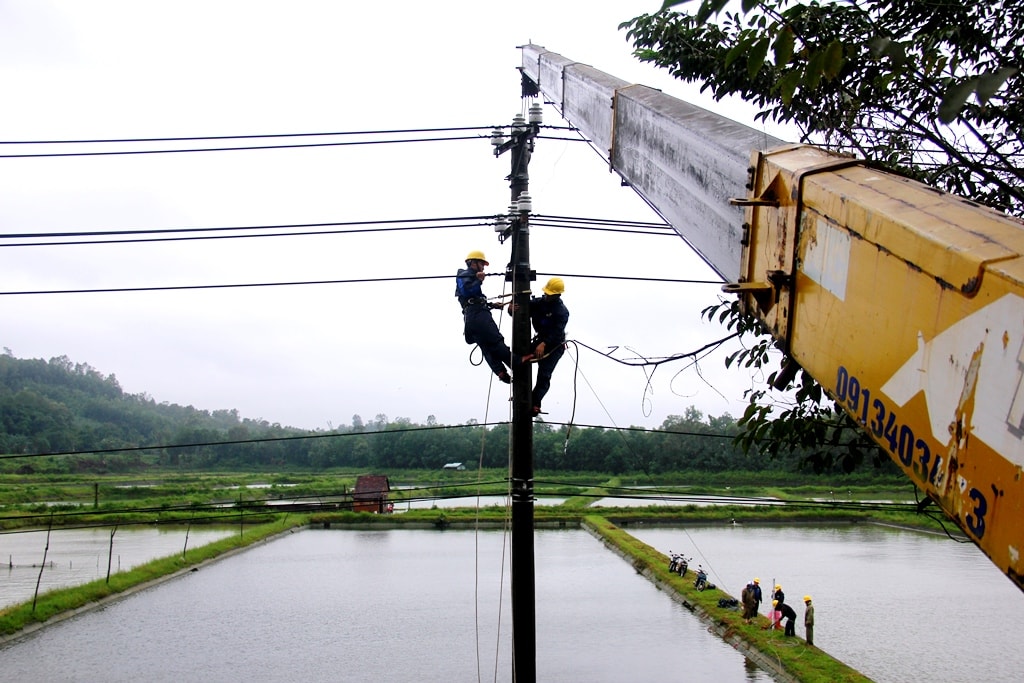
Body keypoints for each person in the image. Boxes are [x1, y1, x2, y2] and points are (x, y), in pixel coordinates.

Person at [455, 250, 526, 383]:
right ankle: (515, 361)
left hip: (473, 316)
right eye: (481, 264)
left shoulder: (468, 277)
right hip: (477, 315)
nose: (483, 267)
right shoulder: (464, 275)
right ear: (473, 263)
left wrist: (492, 305)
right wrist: (479, 280)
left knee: (486, 345)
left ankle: (499, 371)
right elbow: (467, 291)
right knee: (495, 340)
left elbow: (472, 299)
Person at [524, 277, 569, 416]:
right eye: (546, 293)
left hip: (554, 346)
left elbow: (557, 332)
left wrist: (544, 344)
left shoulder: (561, 312)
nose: (547, 296)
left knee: (544, 376)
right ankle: (523, 395)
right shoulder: (539, 303)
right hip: (540, 340)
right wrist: (512, 308)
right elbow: (522, 309)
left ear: (557, 295)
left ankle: (535, 402)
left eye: (550, 294)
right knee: (521, 359)